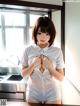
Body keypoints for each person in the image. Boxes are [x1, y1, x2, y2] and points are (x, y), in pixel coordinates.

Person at [21, 16, 64, 104]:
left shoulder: (57, 51)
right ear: (35, 33)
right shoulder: (28, 50)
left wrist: (50, 68)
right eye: (40, 33)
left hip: (53, 93)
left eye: (47, 34)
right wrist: (33, 65)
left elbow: (61, 77)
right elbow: (23, 75)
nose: (43, 37)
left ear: (51, 35)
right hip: (33, 93)